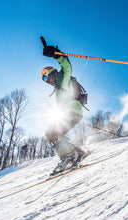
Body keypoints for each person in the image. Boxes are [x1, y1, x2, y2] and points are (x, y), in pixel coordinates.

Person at [41, 44, 87, 175]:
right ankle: (77, 152)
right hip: (71, 113)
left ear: (51, 72)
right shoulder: (57, 87)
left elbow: (67, 67)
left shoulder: (61, 79)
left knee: (51, 133)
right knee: (53, 133)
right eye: (43, 80)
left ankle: (68, 157)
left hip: (73, 112)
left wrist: (56, 54)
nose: (46, 81)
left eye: (45, 77)